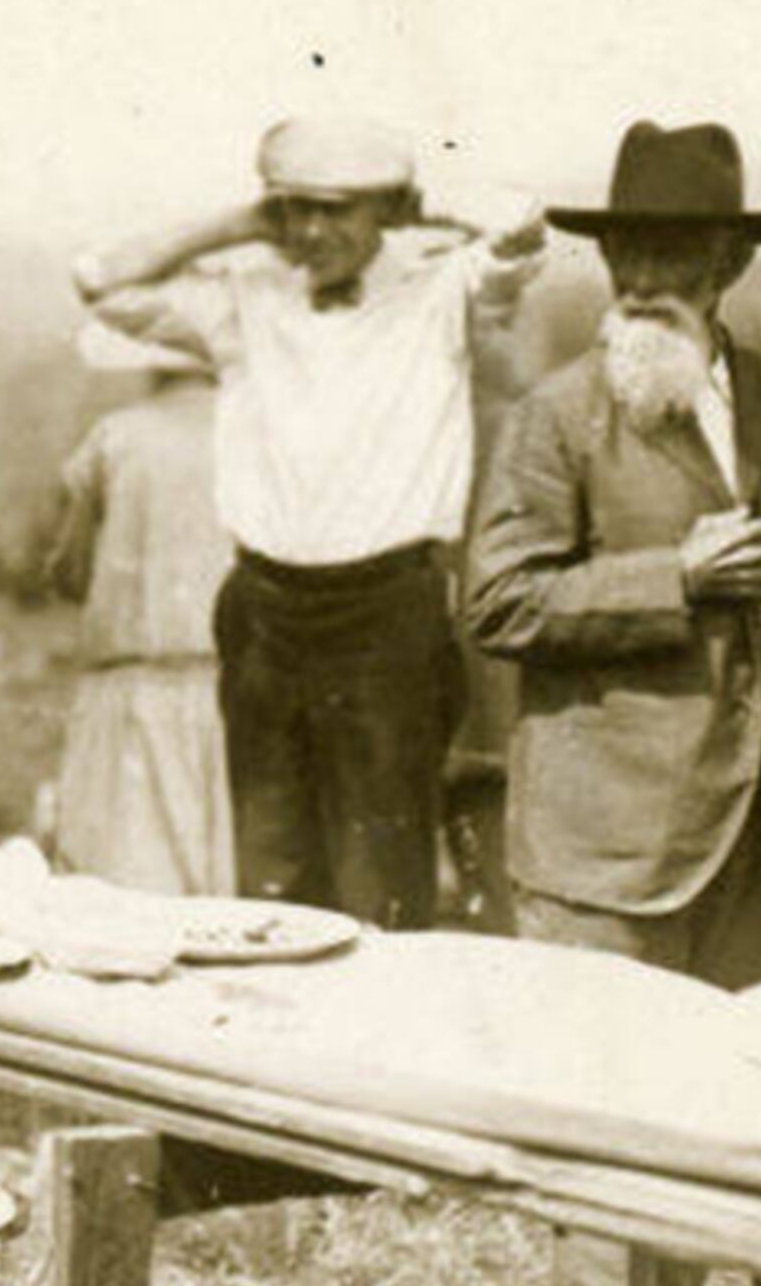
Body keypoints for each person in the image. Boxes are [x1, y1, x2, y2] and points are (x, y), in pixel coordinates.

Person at [463, 120, 761, 1286]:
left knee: (707, 1128)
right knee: (606, 1129)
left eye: (674, 252)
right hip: (603, 843)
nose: (643, 280)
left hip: (742, 834)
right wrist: (671, 579)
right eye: (625, 254)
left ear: (730, 264)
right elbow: (496, 604)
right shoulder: (557, 414)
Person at [77, 116, 546, 927]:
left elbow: (520, 229)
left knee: (383, 888)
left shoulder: (441, 290)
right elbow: (100, 280)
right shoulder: (244, 301)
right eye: (297, 210)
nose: (314, 231)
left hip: (386, 614)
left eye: (339, 210)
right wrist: (241, 224)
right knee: (272, 886)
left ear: (385, 211)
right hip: (265, 614)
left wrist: (413, 206)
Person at [43, 322, 234, 894]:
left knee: (120, 879)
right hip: (227, 689)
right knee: (221, 883)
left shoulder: (116, 436)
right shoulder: (257, 431)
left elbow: (72, 571)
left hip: (128, 688)